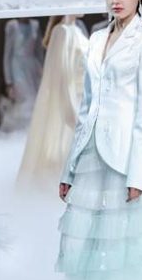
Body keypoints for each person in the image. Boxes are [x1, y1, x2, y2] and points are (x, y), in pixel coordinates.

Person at [57, 0, 142, 280]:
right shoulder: (95, 39)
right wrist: (69, 168)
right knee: (84, 241)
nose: (115, 0)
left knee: (125, 243)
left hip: (127, 156)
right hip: (90, 154)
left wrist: (139, 175)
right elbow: (86, 107)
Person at [16, 15, 89, 187]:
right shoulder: (62, 32)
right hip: (72, 102)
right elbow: (61, 76)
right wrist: (71, 112)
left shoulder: (76, 30)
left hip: (83, 99)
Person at [0, 18, 44, 131]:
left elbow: (39, 51)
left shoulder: (35, 25)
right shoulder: (12, 26)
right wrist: (9, 81)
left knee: (35, 100)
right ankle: (19, 131)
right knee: (25, 99)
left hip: (32, 68)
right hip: (17, 67)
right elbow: (7, 54)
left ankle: (32, 131)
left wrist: (42, 69)